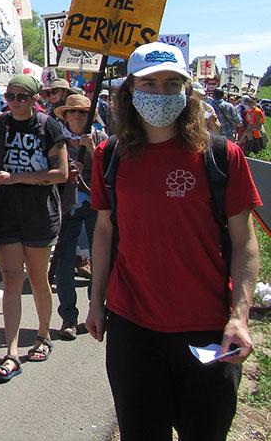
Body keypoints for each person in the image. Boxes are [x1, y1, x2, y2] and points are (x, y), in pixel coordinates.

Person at [85, 42, 262, 439]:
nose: (161, 94)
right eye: (149, 83)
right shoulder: (108, 155)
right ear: (130, 90)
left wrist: (240, 316)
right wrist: (96, 303)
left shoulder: (221, 155)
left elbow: (246, 243)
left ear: (187, 89)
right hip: (133, 329)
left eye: (171, 83)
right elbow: (104, 230)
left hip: (208, 330)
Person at [0, 74, 68, 383]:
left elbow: (60, 174)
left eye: (22, 96)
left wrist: (17, 178)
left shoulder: (48, 126)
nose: (15, 101)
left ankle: (43, 335)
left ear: (35, 99)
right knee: (10, 278)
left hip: (39, 212)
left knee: (37, 278)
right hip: (6, 212)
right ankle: (10, 353)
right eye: (10, 95)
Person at [52, 94, 107, 340]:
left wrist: (93, 153)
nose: (76, 116)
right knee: (64, 261)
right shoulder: (57, 140)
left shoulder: (101, 138)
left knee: (100, 259)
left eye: (82, 112)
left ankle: (96, 311)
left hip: (97, 205)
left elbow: (110, 173)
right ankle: (69, 317)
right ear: (64, 116)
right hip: (67, 206)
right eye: (72, 112)